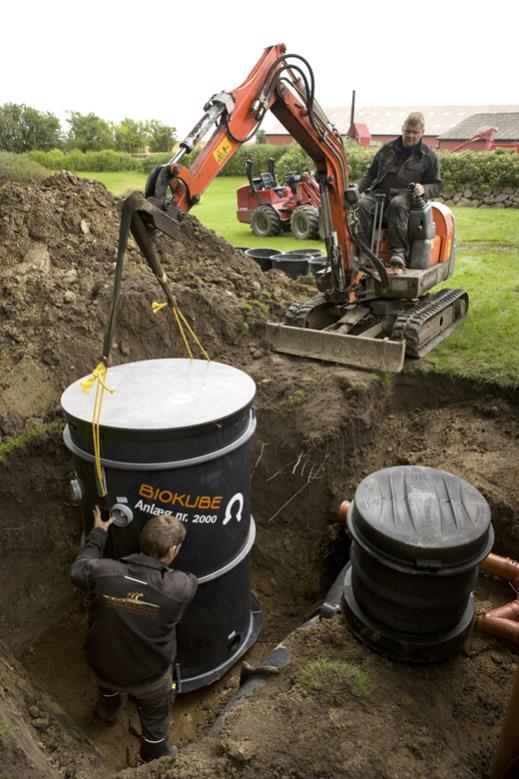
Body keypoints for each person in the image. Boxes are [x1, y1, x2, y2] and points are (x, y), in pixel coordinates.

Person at [70, 508, 197, 763]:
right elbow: (190, 580)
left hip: (103, 665)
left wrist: (98, 533)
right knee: (155, 714)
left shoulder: (102, 572)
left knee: (108, 688)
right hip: (149, 676)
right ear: (172, 551)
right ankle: (153, 749)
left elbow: (77, 570)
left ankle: (109, 709)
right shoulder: (179, 587)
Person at [357, 111, 443, 270]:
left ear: (422, 132)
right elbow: (370, 174)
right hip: (380, 194)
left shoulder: (428, 156)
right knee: (362, 204)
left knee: (397, 204)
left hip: (407, 197)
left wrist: (423, 188)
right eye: (408, 131)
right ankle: (364, 254)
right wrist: (356, 189)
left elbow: (437, 185)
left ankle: (398, 253)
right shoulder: (387, 149)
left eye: (415, 132)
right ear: (402, 128)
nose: (410, 135)